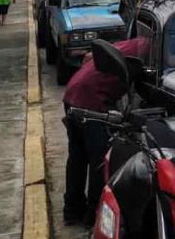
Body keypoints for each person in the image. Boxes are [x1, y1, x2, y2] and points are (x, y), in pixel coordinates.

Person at [61, 37, 150, 226]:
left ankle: (72, 210)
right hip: (89, 100)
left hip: (72, 92)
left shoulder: (128, 43)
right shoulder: (146, 49)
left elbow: (87, 57)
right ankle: (93, 215)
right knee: (100, 162)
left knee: (77, 157)